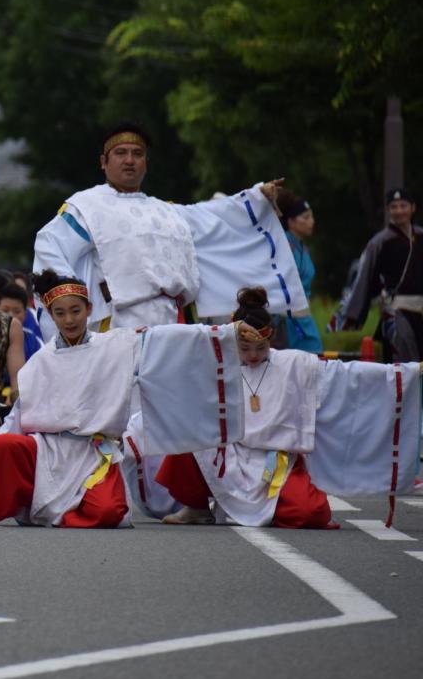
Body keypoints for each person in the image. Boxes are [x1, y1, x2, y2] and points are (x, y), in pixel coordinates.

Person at [33, 122, 306, 334]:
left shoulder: (166, 212)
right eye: (121, 153)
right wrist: (72, 300)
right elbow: (50, 244)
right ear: (104, 162)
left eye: (137, 154)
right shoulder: (86, 208)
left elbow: (212, 217)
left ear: (146, 163)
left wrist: (256, 196)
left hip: (172, 323)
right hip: (119, 324)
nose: (129, 160)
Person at [0, 271, 131, 527]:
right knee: (4, 445)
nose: (69, 320)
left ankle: (46, 511)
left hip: (91, 453)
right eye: (60, 313)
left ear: (89, 309)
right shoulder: (42, 360)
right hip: (47, 452)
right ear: (49, 313)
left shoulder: (115, 347)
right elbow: (17, 417)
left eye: (76, 311)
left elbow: (162, 347)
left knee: (108, 513)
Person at [157, 287, 335, 528]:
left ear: (270, 338)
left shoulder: (293, 364)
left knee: (310, 512)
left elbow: (339, 376)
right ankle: (196, 506)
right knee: (185, 429)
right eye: (245, 348)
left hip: (272, 460)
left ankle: (267, 507)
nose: (253, 355)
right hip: (229, 454)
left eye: (261, 348)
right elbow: (176, 341)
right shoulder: (217, 364)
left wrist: (397, 375)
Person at [341, 187, 423, 362]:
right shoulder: (379, 242)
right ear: (388, 210)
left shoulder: (421, 236)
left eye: (403, 205)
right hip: (396, 311)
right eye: (394, 206)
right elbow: (365, 278)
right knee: (404, 362)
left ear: (413, 208)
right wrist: (353, 315)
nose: (399, 210)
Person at [273, 189, 323, 352]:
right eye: (306, 217)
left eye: (312, 216)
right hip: (288, 318)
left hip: (303, 315)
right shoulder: (284, 244)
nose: (312, 221)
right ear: (291, 221)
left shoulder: (301, 246)